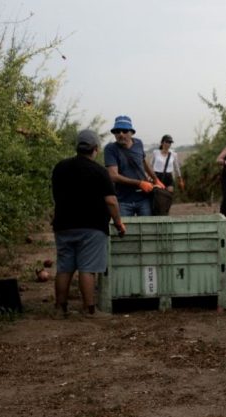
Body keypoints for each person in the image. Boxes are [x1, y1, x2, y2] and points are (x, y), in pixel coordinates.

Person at [51, 129, 126, 316]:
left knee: (64, 268)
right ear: (95, 149)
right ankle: (89, 310)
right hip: (92, 228)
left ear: (77, 147)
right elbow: (111, 201)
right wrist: (118, 223)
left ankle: (60, 308)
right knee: (88, 269)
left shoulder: (60, 167)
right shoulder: (100, 171)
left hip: (63, 226)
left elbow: (55, 196)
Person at [103, 115, 159, 216]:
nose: (121, 134)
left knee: (147, 229)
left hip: (143, 198)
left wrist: (155, 179)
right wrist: (139, 183)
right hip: (123, 200)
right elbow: (113, 176)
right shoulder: (110, 149)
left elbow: (143, 161)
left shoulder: (139, 143)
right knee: (126, 230)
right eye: (117, 131)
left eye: (125, 131)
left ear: (131, 133)